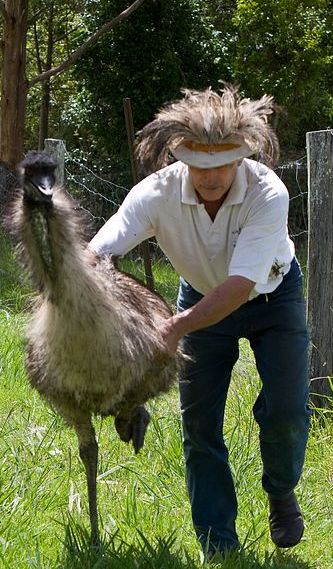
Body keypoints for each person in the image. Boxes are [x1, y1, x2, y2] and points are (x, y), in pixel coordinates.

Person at [89, 84, 310, 558]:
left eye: (222, 165)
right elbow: (99, 255)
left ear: (241, 157)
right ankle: (218, 545)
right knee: (199, 425)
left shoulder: (268, 191)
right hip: (201, 301)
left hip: (272, 298)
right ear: (181, 158)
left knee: (287, 411)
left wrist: (171, 327)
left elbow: (241, 284)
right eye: (199, 166)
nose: (210, 177)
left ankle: (280, 489)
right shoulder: (154, 193)